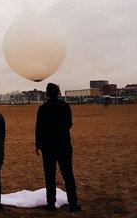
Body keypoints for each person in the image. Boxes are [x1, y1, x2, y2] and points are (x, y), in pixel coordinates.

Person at [36, 83, 81, 212]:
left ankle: (51, 203)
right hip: (64, 145)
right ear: (58, 92)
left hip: (48, 146)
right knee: (68, 175)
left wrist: (38, 144)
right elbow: (69, 124)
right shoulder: (65, 106)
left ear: (47, 93)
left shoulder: (43, 109)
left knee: (49, 176)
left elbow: (39, 128)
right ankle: (73, 204)